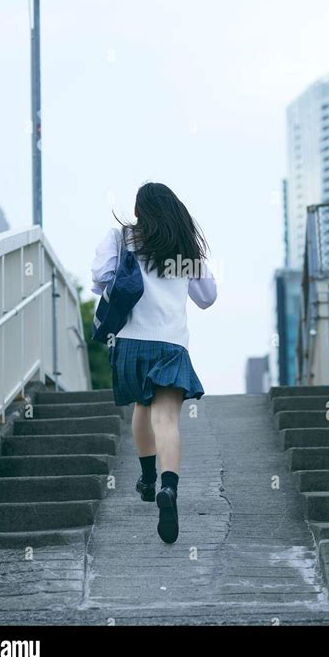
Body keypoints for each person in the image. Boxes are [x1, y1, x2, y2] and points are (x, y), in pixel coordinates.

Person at [91, 182, 217, 544]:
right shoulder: (183, 246)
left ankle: (146, 479)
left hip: (130, 341)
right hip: (170, 344)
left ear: (137, 212)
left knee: (141, 409)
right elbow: (207, 298)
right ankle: (168, 488)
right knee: (167, 420)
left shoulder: (120, 239)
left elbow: (99, 278)